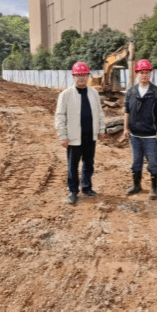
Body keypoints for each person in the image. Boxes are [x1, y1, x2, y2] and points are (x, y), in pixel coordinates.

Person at [55, 62, 106, 205]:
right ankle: (73, 191)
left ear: (88, 76)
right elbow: (60, 116)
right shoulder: (65, 95)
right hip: (73, 137)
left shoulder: (94, 93)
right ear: (73, 76)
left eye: (84, 75)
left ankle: (86, 187)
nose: (81, 78)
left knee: (89, 163)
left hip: (90, 135)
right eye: (78, 75)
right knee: (73, 165)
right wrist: (63, 136)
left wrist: (101, 129)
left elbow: (99, 113)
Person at [123, 59, 157, 199]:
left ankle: (154, 188)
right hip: (135, 136)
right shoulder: (131, 92)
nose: (144, 75)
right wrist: (125, 128)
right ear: (136, 74)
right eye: (141, 72)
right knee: (136, 162)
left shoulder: (156, 92)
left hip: (151, 136)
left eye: (147, 72)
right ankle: (136, 185)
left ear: (150, 74)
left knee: (153, 162)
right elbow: (127, 111)